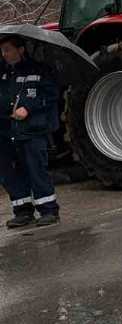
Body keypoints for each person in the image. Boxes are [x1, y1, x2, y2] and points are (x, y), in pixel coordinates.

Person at [0, 36, 60, 228]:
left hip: (32, 130)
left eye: (8, 50)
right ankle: (23, 210)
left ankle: (48, 210)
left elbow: (50, 95)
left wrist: (28, 108)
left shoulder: (39, 70)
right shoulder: (2, 73)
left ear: (21, 49)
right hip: (7, 131)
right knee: (10, 172)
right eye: (2, 51)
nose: (5, 54)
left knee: (36, 169)